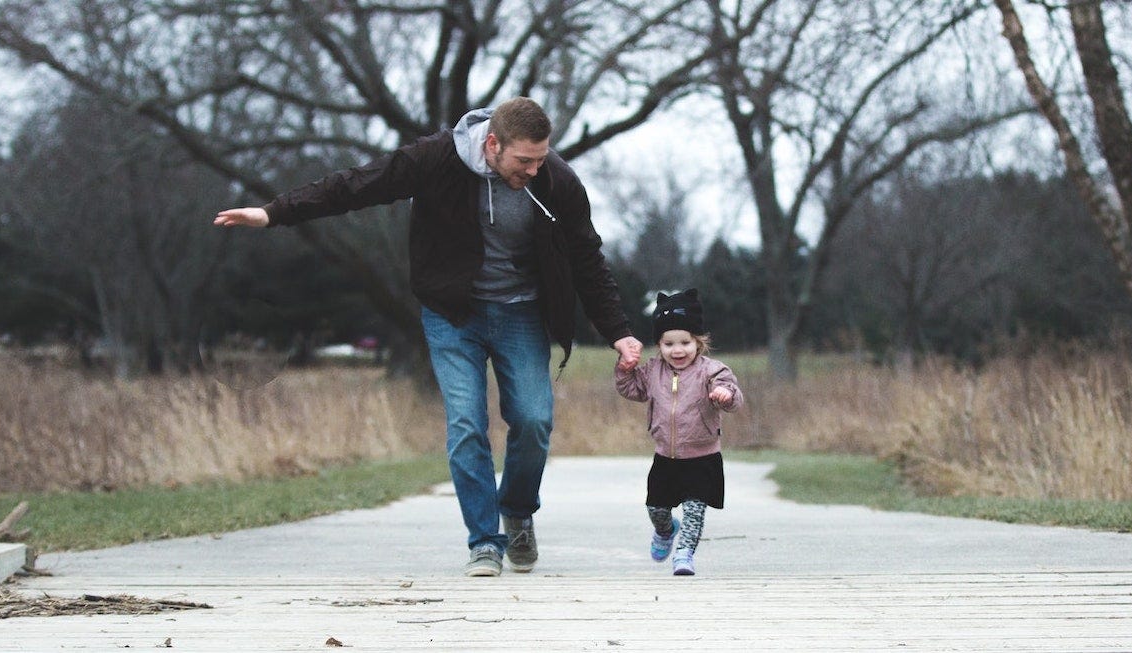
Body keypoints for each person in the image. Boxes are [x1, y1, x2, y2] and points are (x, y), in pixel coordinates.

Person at [214, 97, 643, 577]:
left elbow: (587, 258)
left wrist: (619, 334)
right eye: (524, 161)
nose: (533, 169)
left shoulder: (556, 180)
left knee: (533, 420)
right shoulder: (436, 158)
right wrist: (274, 213)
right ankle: (484, 541)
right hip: (451, 312)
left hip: (520, 312)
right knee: (466, 425)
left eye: (541, 158)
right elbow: (358, 185)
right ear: (493, 143)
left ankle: (518, 511)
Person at [614, 289, 742, 576]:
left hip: (702, 457)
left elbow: (734, 396)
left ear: (698, 342)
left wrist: (725, 393)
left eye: (685, 342)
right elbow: (630, 389)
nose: (678, 350)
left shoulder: (712, 371)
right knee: (657, 509)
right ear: (659, 345)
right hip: (665, 457)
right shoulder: (652, 371)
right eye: (669, 343)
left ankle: (684, 555)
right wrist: (624, 370)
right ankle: (666, 529)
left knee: (695, 511)